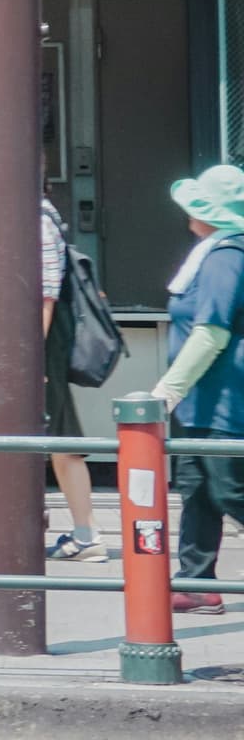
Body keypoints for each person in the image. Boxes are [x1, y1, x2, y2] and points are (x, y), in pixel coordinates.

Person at [0, 186, 107, 562]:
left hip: (32, 348)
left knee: (3, 433)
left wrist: (30, 360)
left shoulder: (36, 222)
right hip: (31, 348)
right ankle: (83, 534)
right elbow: (7, 292)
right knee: (59, 441)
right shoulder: (27, 218)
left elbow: (44, 297)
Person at [155, 164, 244, 614]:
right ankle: (195, 582)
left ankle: (196, 582)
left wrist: (166, 391)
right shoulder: (213, 251)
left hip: (225, 397)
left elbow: (211, 332)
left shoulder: (226, 254)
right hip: (203, 399)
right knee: (197, 488)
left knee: (230, 490)